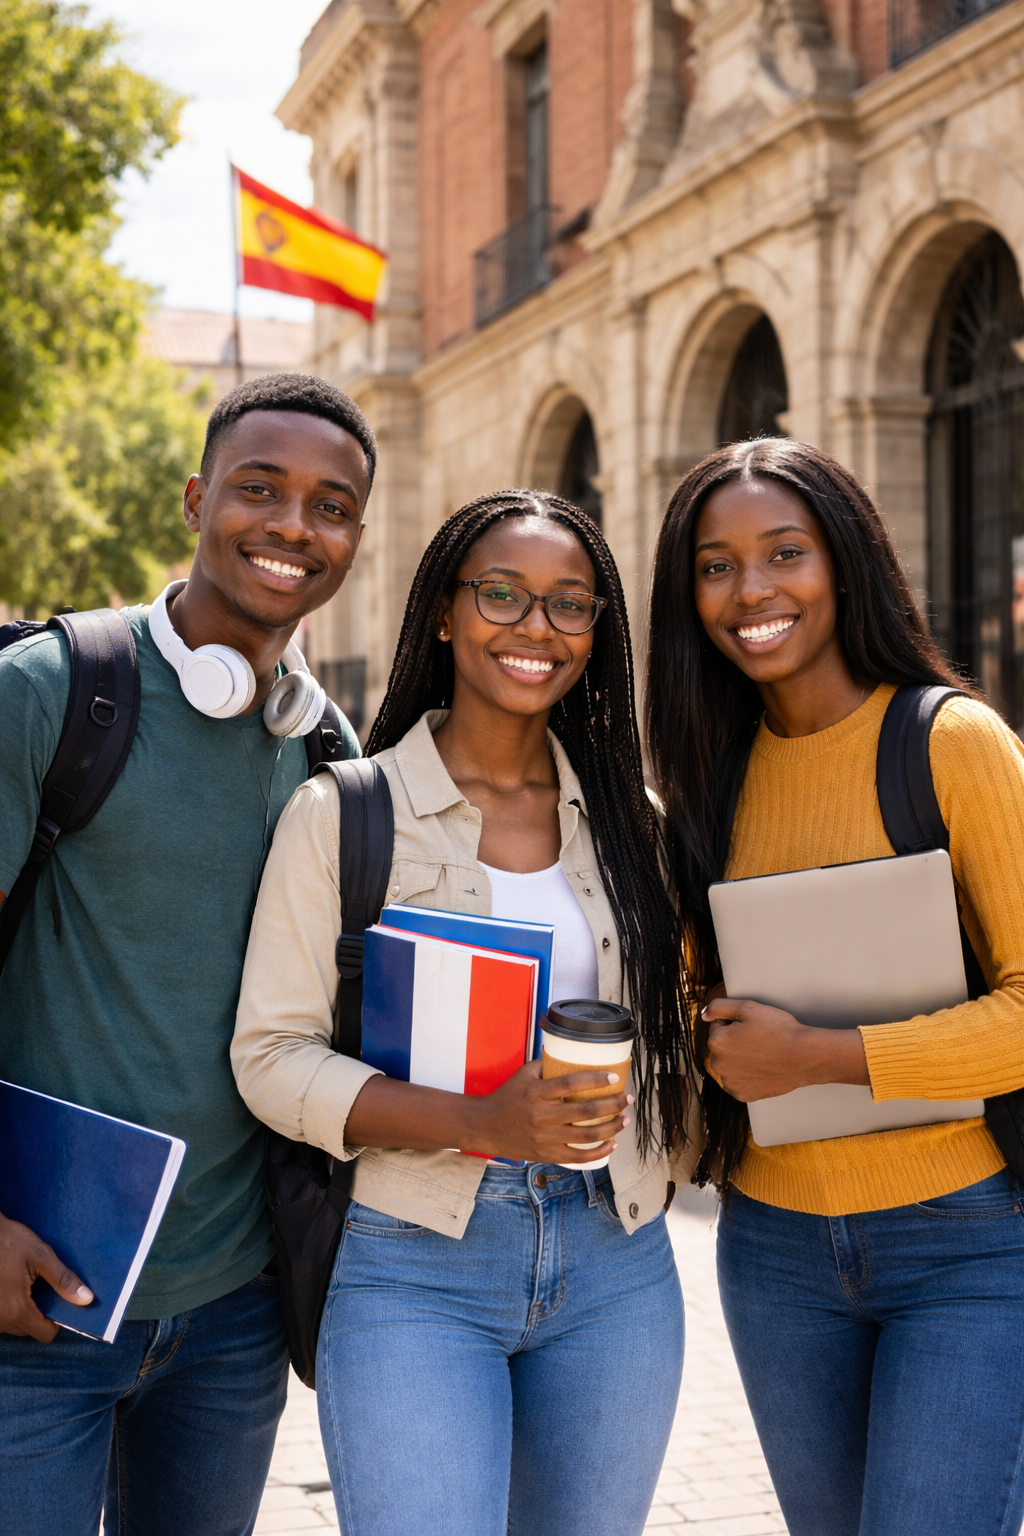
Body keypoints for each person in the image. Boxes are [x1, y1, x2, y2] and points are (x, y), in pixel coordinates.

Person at [232, 489, 693, 1536]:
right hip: (413, 1261)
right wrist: (476, 1124)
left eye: (571, 605)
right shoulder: (343, 814)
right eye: (502, 594)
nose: (537, 628)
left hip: (616, 1261)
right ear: (444, 611)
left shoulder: (634, 822)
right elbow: (269, 1059)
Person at [0, 373, 374, 1536]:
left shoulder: (324, 749)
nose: (291, 527)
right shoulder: (51, 692)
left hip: (232, 1316)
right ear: (195, 499)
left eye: (330, 505)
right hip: (32, 1310)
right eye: (259, 489)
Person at [646, 436, 1024, 1536]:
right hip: (771, 1251)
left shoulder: (953, 744)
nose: (750, 590)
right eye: (715, 566)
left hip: (962, 1240)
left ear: (845, 562)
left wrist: (823, 1057)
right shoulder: (704, 785)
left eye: (782, 553)